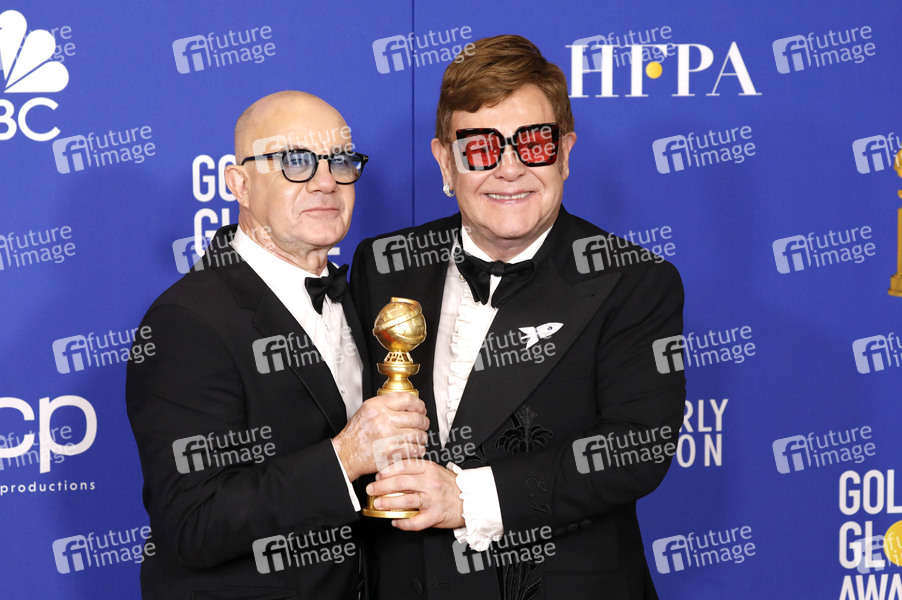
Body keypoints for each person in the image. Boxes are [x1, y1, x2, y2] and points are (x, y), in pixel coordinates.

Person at [351, 36, 685, 599]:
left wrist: (466, 498)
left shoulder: (633, 280)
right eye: (481, 147)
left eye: (532, 143)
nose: (510, 170)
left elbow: (636, 449)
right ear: (445, 161)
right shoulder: (383, 263)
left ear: (565, 153)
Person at [126, 90, 429, 600]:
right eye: (296, 161)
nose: (326, 181)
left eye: (340, 161)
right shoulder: (186, 321)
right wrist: (344, 457)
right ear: (240, 184)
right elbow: (193, 523)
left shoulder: (364, 298)